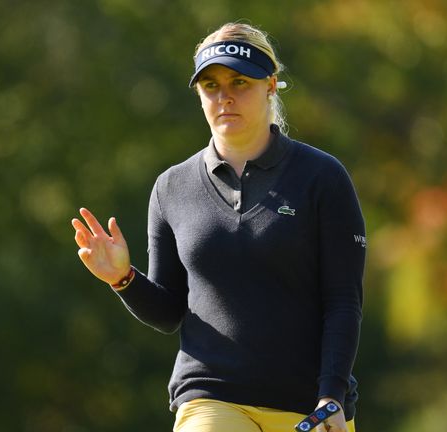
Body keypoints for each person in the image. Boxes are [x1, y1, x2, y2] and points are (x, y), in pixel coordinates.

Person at [71, 22, 365, 432]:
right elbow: (171, 311)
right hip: (211, 397)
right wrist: (122, 278)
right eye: (211, 86)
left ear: (271, 86)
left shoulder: (323, 178)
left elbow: (342, 302)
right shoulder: (172, 187)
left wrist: (331, 398)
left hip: (309, 404)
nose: (224, 97)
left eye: (239, 82)